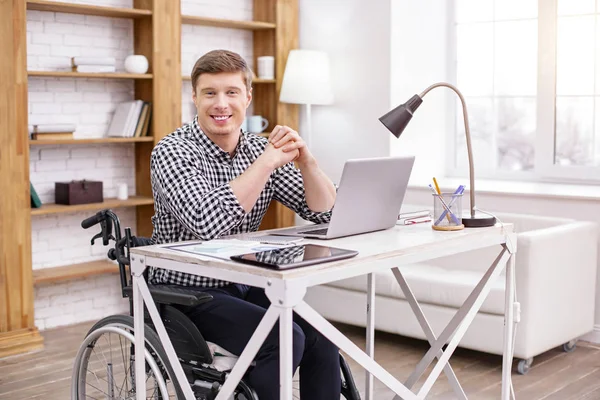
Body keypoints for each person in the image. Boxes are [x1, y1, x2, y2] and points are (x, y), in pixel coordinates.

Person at [149, 49, 340, 400]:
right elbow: (208, 223)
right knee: (284, 339)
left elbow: (325, 213)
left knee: (323, 339)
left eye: (231, 92)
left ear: (247, 97)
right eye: (210, 93)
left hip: (244, 282)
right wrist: (266, 163)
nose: (221, 104)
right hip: (187, 292)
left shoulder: (256, 149)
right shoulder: (172, 151)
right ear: (194, 97)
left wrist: (308, 163)